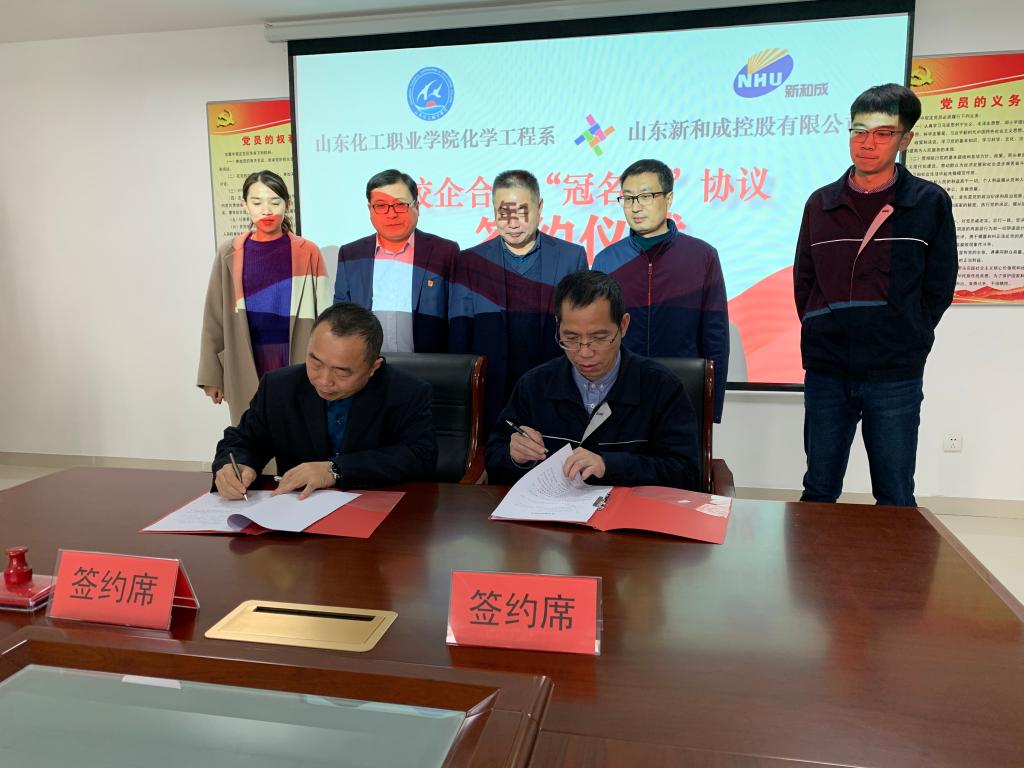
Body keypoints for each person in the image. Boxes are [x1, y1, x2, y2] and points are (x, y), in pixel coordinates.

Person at [793, 83, 958, 506]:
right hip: (827, 370)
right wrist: (819, 325)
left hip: (895, 372)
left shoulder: (927, 202)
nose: (867, 143)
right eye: (859, 131)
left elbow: (939, 285)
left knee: (895, 493)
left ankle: (900, 558)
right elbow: (804, 280)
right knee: (818, 490)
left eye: (883, 133)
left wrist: (908, 331)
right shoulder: (821, 203)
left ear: (905, 139)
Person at [485, 270, 700, 490]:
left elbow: (686, 473)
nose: (585, 353)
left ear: (623, 325)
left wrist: (609, 465)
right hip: (554, 509)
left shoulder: (662, 387)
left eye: (599, 338)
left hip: (628, 510)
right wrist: (515, 456)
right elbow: (493, 462)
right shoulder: (534, 385)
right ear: (558, 326)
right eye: (571, 338)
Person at [213, 302, 437, 498]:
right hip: (297, 513)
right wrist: (236, 466)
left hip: (377, 512)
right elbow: (243, 440)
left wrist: (335, 469)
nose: (324, 380)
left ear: (373, 367)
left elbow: (421, 457)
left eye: (341, 372)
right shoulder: (279, 387)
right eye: (315, 363)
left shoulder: (407, 392)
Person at [592, 159, 729, 422]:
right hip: (619, 393)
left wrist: (711, 408)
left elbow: (716, 337)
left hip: (682, 392)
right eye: (628, 198)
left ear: (669, 198)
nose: (635, 206)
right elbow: (596, 336)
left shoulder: (702, 256)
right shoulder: (606, 261)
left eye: (646, 196)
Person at [449, 170, 588, 431]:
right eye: (503, 213)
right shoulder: (470, 261)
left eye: (522, 212)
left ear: (539, 207)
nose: (512, 223)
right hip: (492, 392)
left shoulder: (571, 257)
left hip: (555, 390)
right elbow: (460, 334)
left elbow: (582, 330)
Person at [198, 170, 330, 425]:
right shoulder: (229, 252)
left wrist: (329, 369)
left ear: (287, 205)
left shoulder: (308, 252)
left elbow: (326, 316)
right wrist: (212, 375)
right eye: (257, 202)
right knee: (251, 431)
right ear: (244, 205)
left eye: (275, 202)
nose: (266, 210)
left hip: (296, 354)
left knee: (297, 430)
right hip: (245, 356)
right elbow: (214, 317)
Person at [334, 169, 459, 353]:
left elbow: (458, 320)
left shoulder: (445, 252)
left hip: (430, 365)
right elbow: (341, 319)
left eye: (400, 204)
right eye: (381, 206)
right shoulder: (351, 254)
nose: (391, 214)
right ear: (370, 209)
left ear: (417, 207)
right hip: (367, 365)